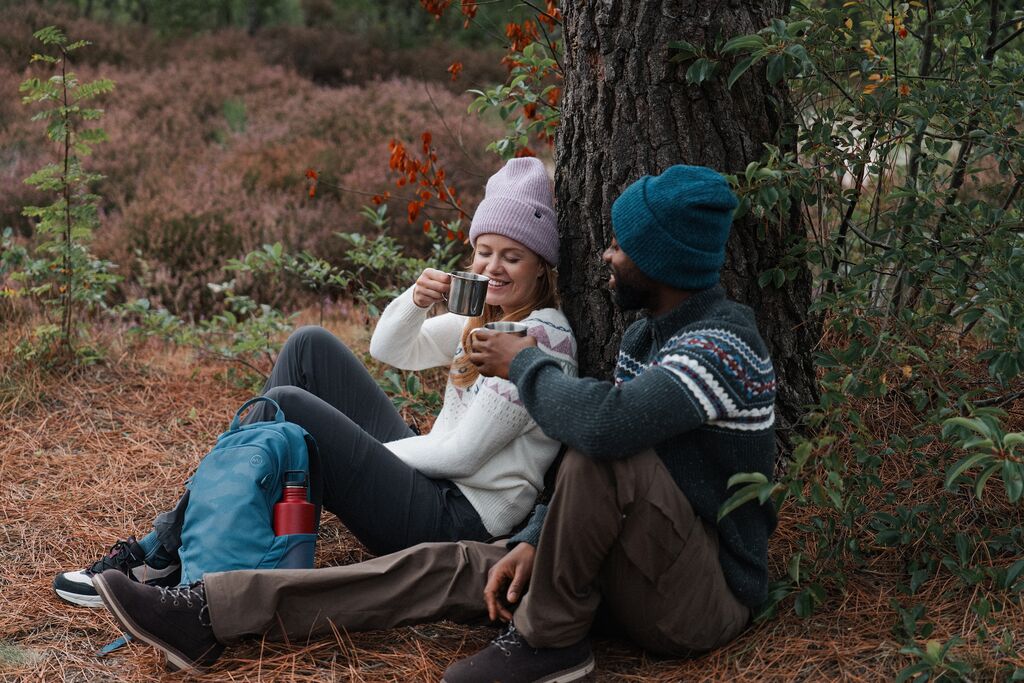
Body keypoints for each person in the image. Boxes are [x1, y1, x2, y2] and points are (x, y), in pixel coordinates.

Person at [93, 165, 777, 682]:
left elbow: (605, 436)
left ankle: (548, 644)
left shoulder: (722, 346)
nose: (607, 254)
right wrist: (538, 538)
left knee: (605, 440)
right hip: (615, 567)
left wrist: (523, 366)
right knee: (434, 569)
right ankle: (210, 610)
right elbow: (401, 352)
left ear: (663, 261)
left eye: (623, 245)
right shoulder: (644, 341)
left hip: (697, 599)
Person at [54, 157, 577, 608]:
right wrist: (415, 300)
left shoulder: (541, 339)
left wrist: (358, 452)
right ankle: (193, 541)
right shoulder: (480, 323)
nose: (494, 267)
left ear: (541, 268)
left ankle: (165, 551)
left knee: (285, 405)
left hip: (457, 519)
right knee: (309, 346)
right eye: (485, 252)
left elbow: (461, 458)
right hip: (431, 481)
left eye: (513, 256)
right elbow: (390, 349)